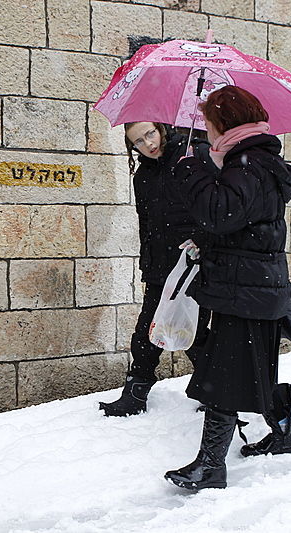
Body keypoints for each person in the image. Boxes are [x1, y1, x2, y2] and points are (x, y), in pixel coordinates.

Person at [163, 86, 291, 490]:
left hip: (246, 290)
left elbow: (220, 213)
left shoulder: (246, 164)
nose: (205, 130)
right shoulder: (253, 161)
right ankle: (284, 433)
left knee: (223, 376)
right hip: (252, 286)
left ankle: (210, 467)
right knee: (250, 367)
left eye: (208, 122)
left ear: (223, 122)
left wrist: (192, 170)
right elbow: (246, 225)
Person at [99, 122, 213, 417]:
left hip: (193, 264)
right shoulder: (143, 176)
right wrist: (147, 265)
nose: (148, 143)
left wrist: (203, 241)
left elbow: (213, 209)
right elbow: (146, 226)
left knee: (193, 330)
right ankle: (138, 390)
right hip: (160, 266)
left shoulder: (192, 157)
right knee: (150, 329)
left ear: (160, 128)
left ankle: (215, 391)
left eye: (150, 134)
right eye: (138, 141)